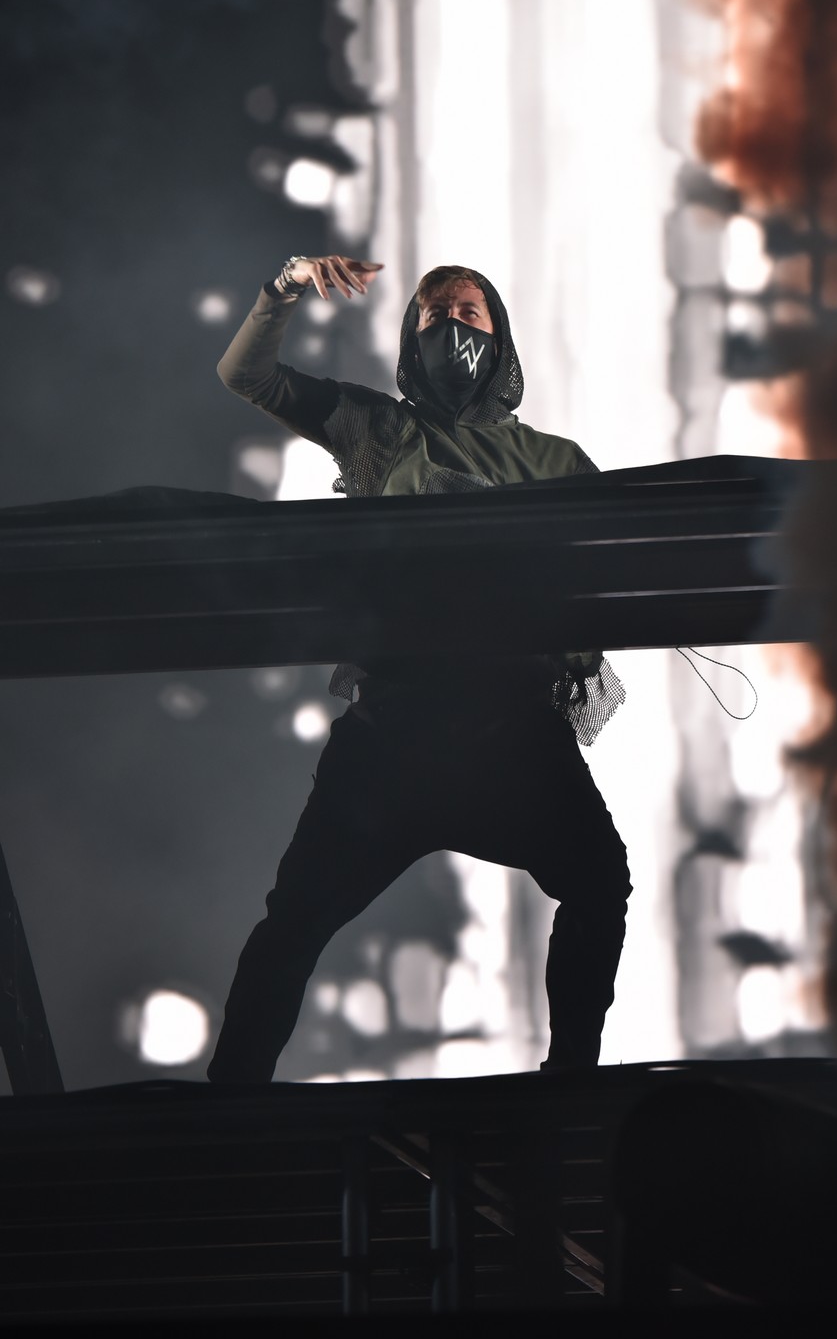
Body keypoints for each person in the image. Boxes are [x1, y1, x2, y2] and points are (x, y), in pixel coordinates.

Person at [206, 252, 631, 1080]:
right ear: (410, 339)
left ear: (500, 339)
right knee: (294, 920)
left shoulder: (556, 463)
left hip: (512, 734)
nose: (452, 326)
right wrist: (287, 284)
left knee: (600, 881)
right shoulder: (375, 427)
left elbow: (598, 581)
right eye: (434, 316)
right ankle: (230, 1105)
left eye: (469, 313)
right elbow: (246, 375)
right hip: (395, 729)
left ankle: (571, 1082)